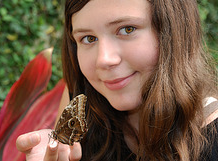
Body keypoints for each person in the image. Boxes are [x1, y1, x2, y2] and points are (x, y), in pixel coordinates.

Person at [16, 0, 218, 160]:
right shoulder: (80, 100)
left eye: (127, 29)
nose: (104, 60)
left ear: (174, 31)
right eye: (88, 38)